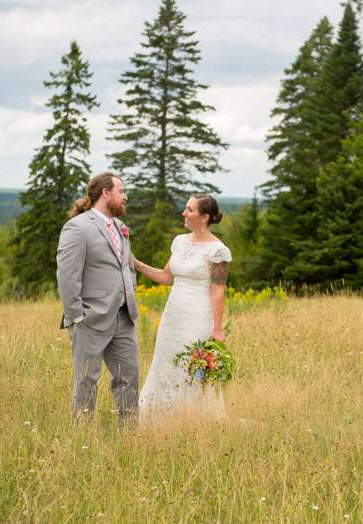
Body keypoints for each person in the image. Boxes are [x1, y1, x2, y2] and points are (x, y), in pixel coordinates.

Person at [134, 194, 231, 420]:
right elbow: (166, 277)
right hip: (173, 316)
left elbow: (218, 290)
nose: (184, 213)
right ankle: (156, 417)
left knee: (189, 366)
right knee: (165, 361)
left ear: (205, 217)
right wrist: (134, 263)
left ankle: (191, 419)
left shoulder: (218, 250)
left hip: (198, 317)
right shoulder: (179, 241)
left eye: (189, 209)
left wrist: (217, 329)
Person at [55, 172, 140, 423]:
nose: (126, 197)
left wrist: (130, 296)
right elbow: (68, 276)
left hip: (124, 317)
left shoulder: (120, 228)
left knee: (129, 377)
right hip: (90, 318)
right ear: (106, 193)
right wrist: (77, 316)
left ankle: (129, 437)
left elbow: (127, 267)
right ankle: (82, 439)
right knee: (86, 380)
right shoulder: (77, 227)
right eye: (121, 191)